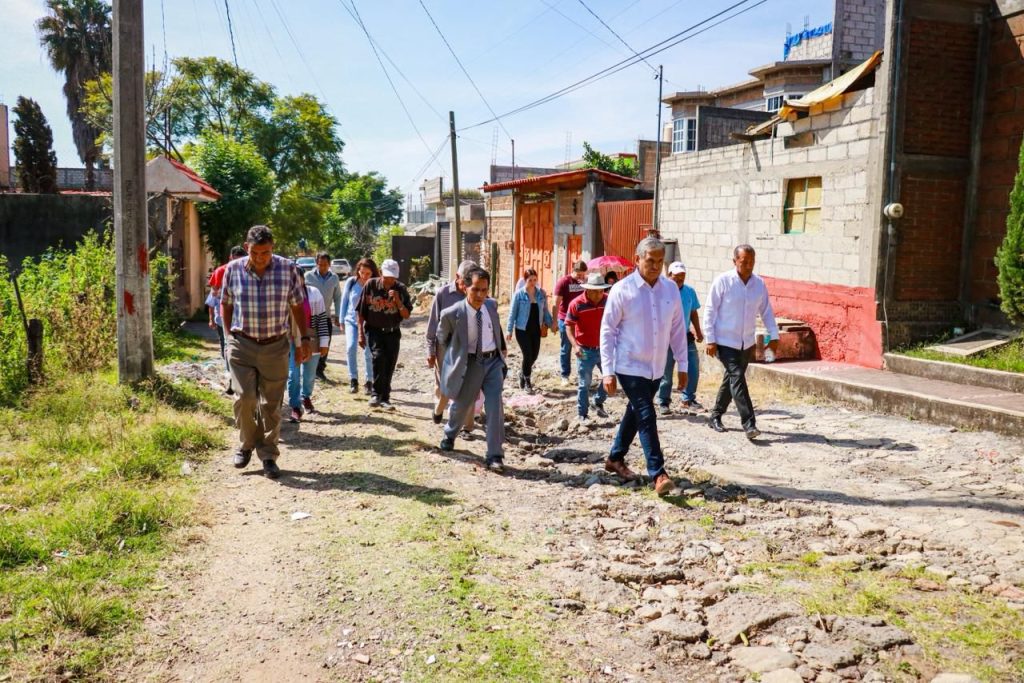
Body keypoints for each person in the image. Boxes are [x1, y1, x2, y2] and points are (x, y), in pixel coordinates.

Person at [600, 236, 688, 496]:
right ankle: (658, 473)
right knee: (646, 414)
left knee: (636, 411)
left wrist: (683, 364)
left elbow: (677, 329)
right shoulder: (622, 290)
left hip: (656, 367)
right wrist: (607, 371)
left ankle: (615, 458)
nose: (655, 266)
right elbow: (607, 331)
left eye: (660, 261)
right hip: (628, 364)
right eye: (650, 261)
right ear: (637, 259)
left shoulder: (670, 290)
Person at [221, 225, 310, 480]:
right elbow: (226, 303)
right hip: (242, 344)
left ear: (273, 248)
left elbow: (297, 305)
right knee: (245, 398)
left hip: (275, 346)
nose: (260, 258)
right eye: (255, 252)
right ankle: (247, 444)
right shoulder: (233, 269)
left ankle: (269, 455)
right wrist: (228, 336)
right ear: (246, 247)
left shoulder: (287, 269)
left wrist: (303, 339)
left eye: (266, 252)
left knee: (271, 404)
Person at [704, 244, 780, 440]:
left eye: (751, 262)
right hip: (724, 341)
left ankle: (715, 416)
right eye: (744, 262)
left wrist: (774, 335)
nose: (748, 266)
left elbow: (766, 311)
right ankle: (749, 424)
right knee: (737, 377)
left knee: (731, 380)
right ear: (734, 261)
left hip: (746, 343)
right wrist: (710, 339)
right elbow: (710, 310)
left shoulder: (759, 284)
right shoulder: (723, 281)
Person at [436, 267, 507, 472]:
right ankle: (450, 434)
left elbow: (496, 329)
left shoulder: (491, 306)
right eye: (475, 289)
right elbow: (442, 338)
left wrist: (501, 350)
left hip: (493, 362)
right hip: (470, 363)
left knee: (495, 407)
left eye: (484, 290)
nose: (479, 295)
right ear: (465, 287)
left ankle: (494, 455)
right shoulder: (452, 314)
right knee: (462, 404)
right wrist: (456, 356)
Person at [426, 260, 478, 426]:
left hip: (468, 346)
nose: (467, 286)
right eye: (465, 281)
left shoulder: (476, 293)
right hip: (445, 347)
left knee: (468, 385)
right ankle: (439, 409)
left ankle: (467, 426)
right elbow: (433, 325)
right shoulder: (443, 294)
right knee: (445, 385)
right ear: (457, 276)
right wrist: (431, 351)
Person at [357, 258, 412, 410]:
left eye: (393, 278)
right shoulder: (371, 285)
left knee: (389, 364)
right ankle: (376, 394)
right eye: (387, 277)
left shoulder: (401, 289)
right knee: (378, 358)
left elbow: (406, 315)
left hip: (393, 332)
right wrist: (360, 333)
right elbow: (361, 311)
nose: (389, 281)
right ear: (381, 273)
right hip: (374, 331)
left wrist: (398, 301)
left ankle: (385, 398)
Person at [658, 262, 705, 416]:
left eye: (682, 276)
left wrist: (698, 331)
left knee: (693, 369)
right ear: (669, 275)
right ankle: (663, 401)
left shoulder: (689, 291)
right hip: (666, 338)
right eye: (676, 276)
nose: (679, 279)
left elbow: (693, 313)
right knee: (667, 373)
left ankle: (688, 399)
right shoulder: (661, 291)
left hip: (685, 336)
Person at [565, 272, 611, 423]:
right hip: (584, 350)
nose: (599, 294)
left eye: (601, 291)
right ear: (588, 290)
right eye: (595, 291)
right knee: (584, 384)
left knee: (610, 377)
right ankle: (582, 414)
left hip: (604, 348)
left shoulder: (608, 300)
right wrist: (575, 346)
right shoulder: (577, 304)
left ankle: (597, 401)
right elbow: (569, 326)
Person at [286, 281, 331, 423]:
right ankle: (295, 406)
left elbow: (322, 320)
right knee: (293, 374)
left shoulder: (314, 293)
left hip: (311, 336)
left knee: (310, 373)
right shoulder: (284, 293)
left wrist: (324, 342)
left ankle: (305, 396)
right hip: (291, 338)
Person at [505, 267, 552, 393]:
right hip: (522, 329)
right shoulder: (519, 294)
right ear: (525, 280)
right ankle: (527, 381)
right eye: (530, 280)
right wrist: (509, 330)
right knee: (527, 354)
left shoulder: (541, 294)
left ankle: (522, 372)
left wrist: (551, 324)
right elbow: (512, 313)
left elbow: (545, 311)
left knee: (534, 355)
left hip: (536, 329)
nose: (532, 283)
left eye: (535, 280)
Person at [206, 245, 246, 395]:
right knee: (228, 346)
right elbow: (213, 295)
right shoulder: (221, 271)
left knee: (243, 347)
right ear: (230, 258)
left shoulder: (249, 270)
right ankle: (232, 379)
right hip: (225, 316)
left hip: (243, 317)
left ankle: (241, 378)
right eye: (235, 260)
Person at [340, 258, 378, 395]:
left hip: (369, 324)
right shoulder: (351, 282)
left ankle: (369, 381)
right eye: (362, 273)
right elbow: (344, 301)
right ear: (358, 271)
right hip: (351, 321)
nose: (364, 276)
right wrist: (341, 320)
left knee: (368, 352)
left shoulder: (375, 284)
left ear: (373, 273)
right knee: (350, 348)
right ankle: (353, 379)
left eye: (368, 273)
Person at [305, 251, 343, 381]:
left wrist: (338, 315)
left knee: (325, 343)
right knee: (310, 342)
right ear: (316, 263)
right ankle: (309, 369)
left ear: (329, 264)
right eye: (320, 264)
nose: (322, 267)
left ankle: (320, 370)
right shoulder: (308, 276)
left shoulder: (334, 278)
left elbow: (337, 297)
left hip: (325, 317)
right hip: (309, 317)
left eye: (325, 265)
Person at [552, 260, 589, 386]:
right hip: (565, 319)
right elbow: (556, 303)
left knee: (583, 347)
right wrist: (554, 321)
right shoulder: (564, 282)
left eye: (583, 275)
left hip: (581, 319)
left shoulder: (585, 282)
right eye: (579, 275)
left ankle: (583, 375)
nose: (581, 277)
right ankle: (565, 375)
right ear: (573, 271)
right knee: (566, 348)